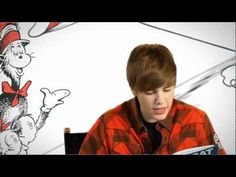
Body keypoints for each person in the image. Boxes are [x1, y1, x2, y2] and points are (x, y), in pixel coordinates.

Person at [79, 44, 226, 155]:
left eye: (167, 89)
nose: (161, 100)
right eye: (150, 92)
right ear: (134, 89)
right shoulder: (108, 125)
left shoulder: (197, 120)